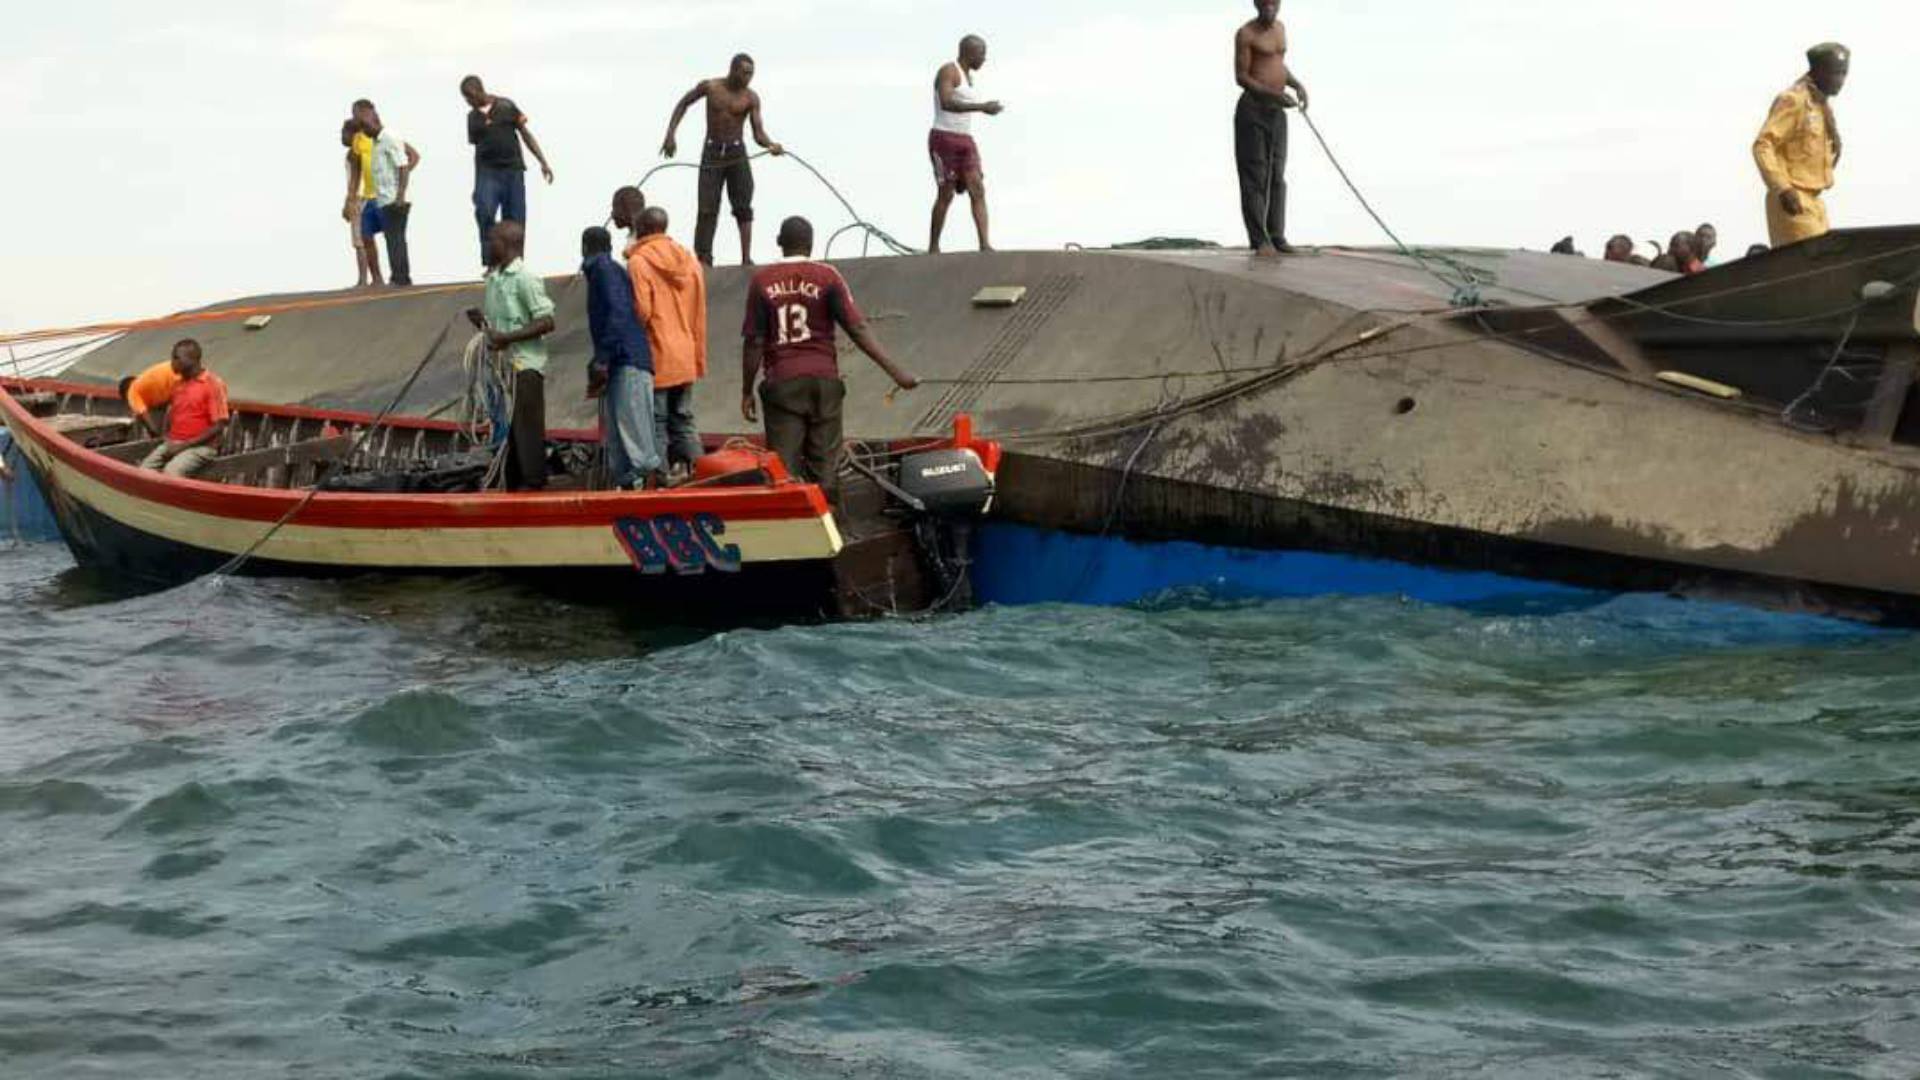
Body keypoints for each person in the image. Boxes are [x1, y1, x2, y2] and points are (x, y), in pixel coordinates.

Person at [742, 217, 919, 504]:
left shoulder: (762, 281)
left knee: (783, 468)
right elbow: (857, 328)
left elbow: (754, 341)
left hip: (782, 382)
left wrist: (746, 390)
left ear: (779, 242)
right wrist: (897, 373)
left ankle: (792, 526)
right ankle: (830, 520)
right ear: (811, 245)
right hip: (824, 381)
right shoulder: (828, 277)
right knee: (825, 463)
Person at [661, 54, 784, 267]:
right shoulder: (711, 87)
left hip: (737, 153)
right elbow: (683, 103)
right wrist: (670, 134)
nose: (748, 77)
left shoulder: (750, 98)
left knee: (743, 205)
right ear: (733, 69)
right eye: (745, 72)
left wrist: (771, 145)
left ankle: (746, 258)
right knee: (707, 208)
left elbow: (758, 133)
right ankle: (703, 258)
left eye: (751, 74)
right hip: (712, 153)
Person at [472, 222, 557, 491]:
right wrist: (483, 325)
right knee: (507, 429)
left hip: (525, 367)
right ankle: (510, 484)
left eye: (492, 240)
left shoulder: (525, 278)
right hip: (502, 369)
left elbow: (546, 321)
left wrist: (506, 338)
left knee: (526, 430)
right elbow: (499, 330)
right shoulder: (494, 279)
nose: (488, 245)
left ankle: (533, 486)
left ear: (506, 244)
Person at [626, 206, 709, 474]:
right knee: (684, 419)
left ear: (641, 230)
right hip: (686, 352)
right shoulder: (691, 261)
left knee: (657, 421)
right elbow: (699, 308)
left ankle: (660, 481)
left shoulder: (639, 262)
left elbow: (643, 311)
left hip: (658, 353)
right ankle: (704, 474)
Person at [582, 226, 661, 491]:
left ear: (585, 248)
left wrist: (601, 359)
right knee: (619, 433)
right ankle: (628, 485)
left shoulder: (602, 270)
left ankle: (646, 484)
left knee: (632, 429)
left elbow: (617, 314)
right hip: (622, 359)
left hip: (626, 360)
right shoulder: (609, 270)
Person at [1754, 43, 1849, 249]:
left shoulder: (1822, 107)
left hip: (1815, 201)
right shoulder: (1794, 100)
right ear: (1818, 71)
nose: (1841, 80)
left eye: (1844, 73)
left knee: (1826, 263)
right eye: (1836, 73)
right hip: (1793, 196)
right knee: (1813, 261)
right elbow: (1763, 145)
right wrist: (1782, 188)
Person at [1234, 0, 1310, 258]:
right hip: (1253, 111)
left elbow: (1276, 64)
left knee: (1277, 176)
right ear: (1256, 4)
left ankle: (1277, 235)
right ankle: (1259, 240)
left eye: (1274, 4)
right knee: (1256, 175)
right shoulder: (1246, 33)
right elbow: (1241, 76)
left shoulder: (1280, 28)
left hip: (1276, 114)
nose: (1270, 8)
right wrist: (1272, 94)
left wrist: (1295, 84)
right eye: (1265, 4)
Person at [461, 76, 556, 269]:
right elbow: (477, 151)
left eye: (470, 96)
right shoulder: (472, 117)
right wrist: (477, 185)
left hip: (513, 170)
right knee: (485, 211)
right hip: (488, 173)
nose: (469, 101)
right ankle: (492, 262)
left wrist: (543, 161)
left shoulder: (506, 106)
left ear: (479, 90)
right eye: (465, 98)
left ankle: (515, 264)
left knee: (516, 219)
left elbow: (525, 133)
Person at [928, 35, 1003, 255]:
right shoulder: (949, 72)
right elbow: (947, 102)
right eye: (982, 53)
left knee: (977, 188)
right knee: (946, 193)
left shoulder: (969, 77)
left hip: (965, 139)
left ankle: (985, 244)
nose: (984, 58)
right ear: (969, 52)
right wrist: (981, 107)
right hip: (944, 138)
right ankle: (933, 246)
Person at [353, 100, 420, 287]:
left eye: (365, 127)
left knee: (396, 238)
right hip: (383, 199)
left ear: (374, 121)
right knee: (392, 238)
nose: (364, 132)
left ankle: (401, 277)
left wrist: (400, 195)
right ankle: (398, 276)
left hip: (393, 198)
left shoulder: (389, 138)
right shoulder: (376, 142)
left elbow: (403, 166)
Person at [139, 340, 229, 479]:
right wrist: (168, 439)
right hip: (174, 442)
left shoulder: (212, 384)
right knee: (143, 471)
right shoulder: (177, 384)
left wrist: (184, 446)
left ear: (191, 359)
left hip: (200, 448)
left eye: (176, 357)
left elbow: (219, 425)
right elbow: (173, 412)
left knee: (171, 472)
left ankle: (169, 500)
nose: (172, 362)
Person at [341, 118, 378, 288]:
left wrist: (349, 201)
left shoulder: (354, 153)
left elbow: (354, 181)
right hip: (362, 196)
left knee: (359, 241)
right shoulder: (362, 150)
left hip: (359, 198)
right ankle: (374, 277)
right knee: (365, 240)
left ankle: (364, 278)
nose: (342, 136)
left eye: (345, 132)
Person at [124, 359, 186, 437]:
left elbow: (144, 414)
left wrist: (153, 431)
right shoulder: (145, 382)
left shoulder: (131, 392)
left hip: (177, 377)